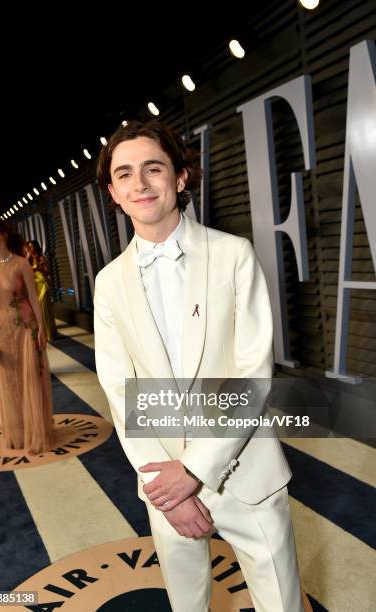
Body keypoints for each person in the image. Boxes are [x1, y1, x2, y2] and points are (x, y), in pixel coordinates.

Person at [94, 121, 304, 612]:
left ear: (181, 177)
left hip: (246, 474)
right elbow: (120, 391)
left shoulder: (234, 256)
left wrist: (196, 470)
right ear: (114, 193)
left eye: (153, 168)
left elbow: (252, 374)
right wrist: (168, 487)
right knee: (187, 605)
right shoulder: (108, 283)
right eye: (124, 174)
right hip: (163, 483)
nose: (140, 183)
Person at [0, 220, 53, 454]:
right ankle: (18, 434)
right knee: (10, 382)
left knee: (30, 379)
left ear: (3, 234)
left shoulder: (21, 264)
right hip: (3, 333)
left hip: (25, 328)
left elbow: (33, 298)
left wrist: (41, 328)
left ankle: (36, 433)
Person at [26, 240, 57, 341]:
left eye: (32, 246)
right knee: (37, 310)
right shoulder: (28, 258)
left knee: (45, 309)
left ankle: (49, 334)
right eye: (29, 247)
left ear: (36, 247)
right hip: (34, 286)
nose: (30, 248)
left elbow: (47, 272)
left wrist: (39, 268)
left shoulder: (41, 257)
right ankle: (42, 333)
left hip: (42, 283)